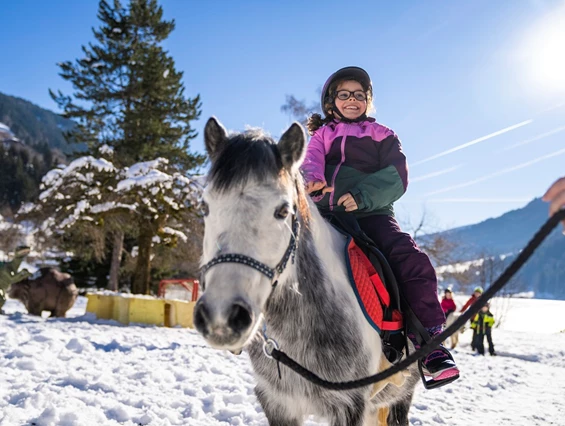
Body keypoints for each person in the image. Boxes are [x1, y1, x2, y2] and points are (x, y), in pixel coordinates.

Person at [301, 66, 459, 386]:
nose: (352, 100)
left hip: (371, 214)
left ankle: (429, 344)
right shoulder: (320, 136)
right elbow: (310, 164)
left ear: (368, 101)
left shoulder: (382, 134)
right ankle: (246, 319)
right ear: (331, 101)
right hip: (323, 215)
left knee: (408, 257)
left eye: (360, 95)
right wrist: (311, 183)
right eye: (344, 94)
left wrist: (361, 196)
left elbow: (396, 176)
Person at [0, 245, 31, 313]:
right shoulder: (6, 268)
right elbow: (12, 279)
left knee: (3, 299)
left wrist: (24, 274)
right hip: (2, 284)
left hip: (3, 286)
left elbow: (13, 278)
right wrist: (23, 273)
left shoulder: (10, 267)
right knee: (2, 299)